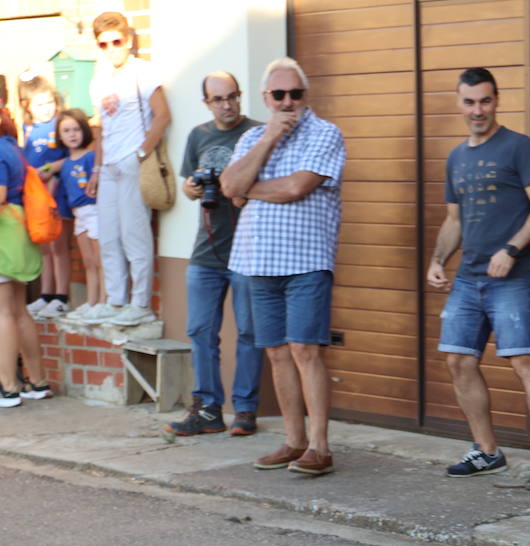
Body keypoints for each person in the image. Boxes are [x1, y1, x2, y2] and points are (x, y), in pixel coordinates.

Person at [426, 67, 530, 490]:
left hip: (512, 276)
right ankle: (487, 451)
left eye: (485, 101)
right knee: (458, 359)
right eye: (469, 102)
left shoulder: (519, 147)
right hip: (468, 278)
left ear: (497, 100)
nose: (478, 110)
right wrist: (437, 259)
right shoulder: (456, 157)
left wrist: (512, 249)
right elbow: (454, 219)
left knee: (524, 361)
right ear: (460, 103)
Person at [221, 57, 345, 476]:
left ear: (306, 96)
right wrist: (268, 141)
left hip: (307, 260)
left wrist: (248, 190)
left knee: (306, 351)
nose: (288, 102)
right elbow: (228, 188)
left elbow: (297, 187)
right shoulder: (253, 137)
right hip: (257, 262)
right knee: (276, 353)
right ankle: (293, 442)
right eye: (279, 95)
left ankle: (320, 447)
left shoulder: (326, 134)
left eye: (296, 94)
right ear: (266, 99)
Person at [165, 71, 263, 438]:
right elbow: (189, 188)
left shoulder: (257, 134)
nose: (227, 105)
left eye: (232, 96)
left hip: (249, 250)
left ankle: (246, 410)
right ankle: (207, 408)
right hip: (206, 252)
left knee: (249, 332)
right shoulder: (198, 136)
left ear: (240, 96)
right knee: (201, 330)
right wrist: (192, 189)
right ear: (206, 102)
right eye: (219, 99)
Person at [80, 10, 169, 327]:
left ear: (128, 39)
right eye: (104, 44)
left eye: (117, 41)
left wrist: (141, 152)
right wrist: (96, 170)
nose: (112, 49)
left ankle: (140, 303)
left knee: (135, 234)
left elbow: (162, 115)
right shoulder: (98, 80)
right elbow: (102, 129)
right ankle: (115, 300)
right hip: (109, 167)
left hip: (133, 163)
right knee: (109, 236)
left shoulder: (142, 72)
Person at [0, 105, 51, 406]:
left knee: (3, 312)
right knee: (19, 310)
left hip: (5, 231)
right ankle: (38, 380)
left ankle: (7, 386)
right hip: (20, 229)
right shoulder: (12, 148)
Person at [17, 73, 71, 320]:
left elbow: (73, 155)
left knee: (58, 247)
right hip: (36, 196)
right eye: (39, 104)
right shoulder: (28, 128)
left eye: (49, 102)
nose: (46, 109)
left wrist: (49, 170)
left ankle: (62, 296)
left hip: (57, 193)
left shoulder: (60, 124)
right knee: (45, 247)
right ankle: (46, 294)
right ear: (28, 106)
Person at [51, 109, 104, 318]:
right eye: (66, 130)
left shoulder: (91, 158)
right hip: (78, 214)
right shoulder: (65, 163)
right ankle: (91, 303)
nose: (72, 134)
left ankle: (103, 301)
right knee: (88, 261)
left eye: (76, 129)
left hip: (95, 210)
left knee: (100, 260)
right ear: (60, 135)